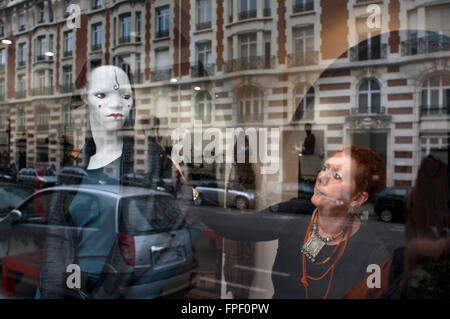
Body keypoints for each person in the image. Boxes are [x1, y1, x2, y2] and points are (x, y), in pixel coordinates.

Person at [201, 145, 389, 298]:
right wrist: (194, 197)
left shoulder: (372, 250)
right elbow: (236, 227)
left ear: (357, 199)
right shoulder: (295, 214)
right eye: (325, 168)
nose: (322, 177)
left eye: (337, 176)